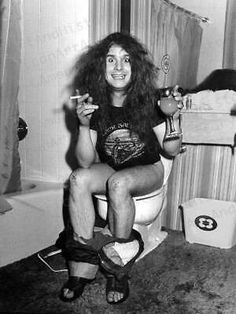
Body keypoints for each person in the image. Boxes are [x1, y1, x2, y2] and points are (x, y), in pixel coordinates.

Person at [59, 32, 183, 304]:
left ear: (135, 66)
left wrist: (173, 119)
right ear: (100, 66)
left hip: (148, 169)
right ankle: (83, 267)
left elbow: (171, 150)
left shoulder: (149, 101)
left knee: (120, 184)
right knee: (78, 179)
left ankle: (119, 270)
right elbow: (84, 162)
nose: (118, 67)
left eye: (126, 60)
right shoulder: (95, 103)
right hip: (111, 167)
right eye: (111, 60)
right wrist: (82, 125)